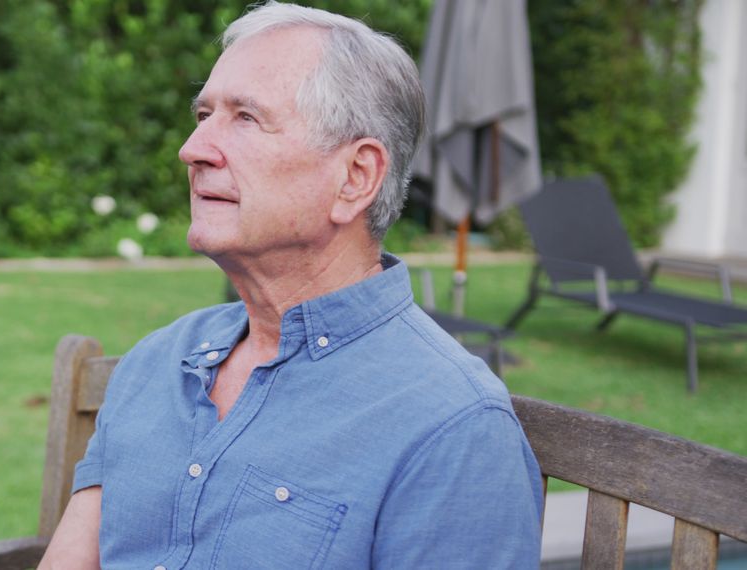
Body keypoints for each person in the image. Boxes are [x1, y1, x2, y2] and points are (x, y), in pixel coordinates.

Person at [40, 2, 543, 568]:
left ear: (355, 178)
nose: (193, 148)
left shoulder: (453, 428)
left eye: (246, 117)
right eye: (203, 114)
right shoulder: (160, 361)